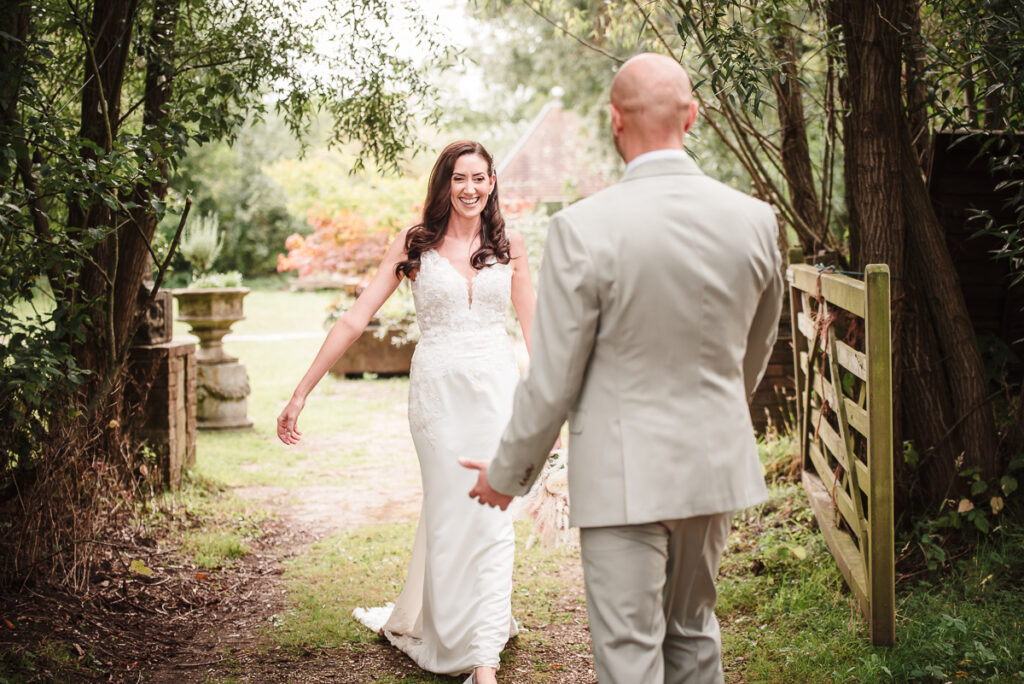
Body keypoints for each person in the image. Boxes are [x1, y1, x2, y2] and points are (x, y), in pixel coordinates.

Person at [461, 52, 784, 683]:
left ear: (615, 122)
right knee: (694, 633)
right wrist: (714, 412)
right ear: (691, 117)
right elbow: (755, 352)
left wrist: (507, 475)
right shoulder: (756, 221)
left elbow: (553, 378)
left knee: (630, 655)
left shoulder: (584, 228)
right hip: (712, 462)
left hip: (621, 474)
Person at [277, 140, 538, 684]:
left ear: (492, 183)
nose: (471, 188)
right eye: (459, 178)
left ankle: (485, 660)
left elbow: (539, 331)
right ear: (443, 184)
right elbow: (355, 319)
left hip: (496, 392)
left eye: (481, 178)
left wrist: (556, 406)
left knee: (494, 518)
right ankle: (448, 631)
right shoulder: (414, 244)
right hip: (437, 396)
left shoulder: (510, 245)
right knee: (449, 514)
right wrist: (302, 390)